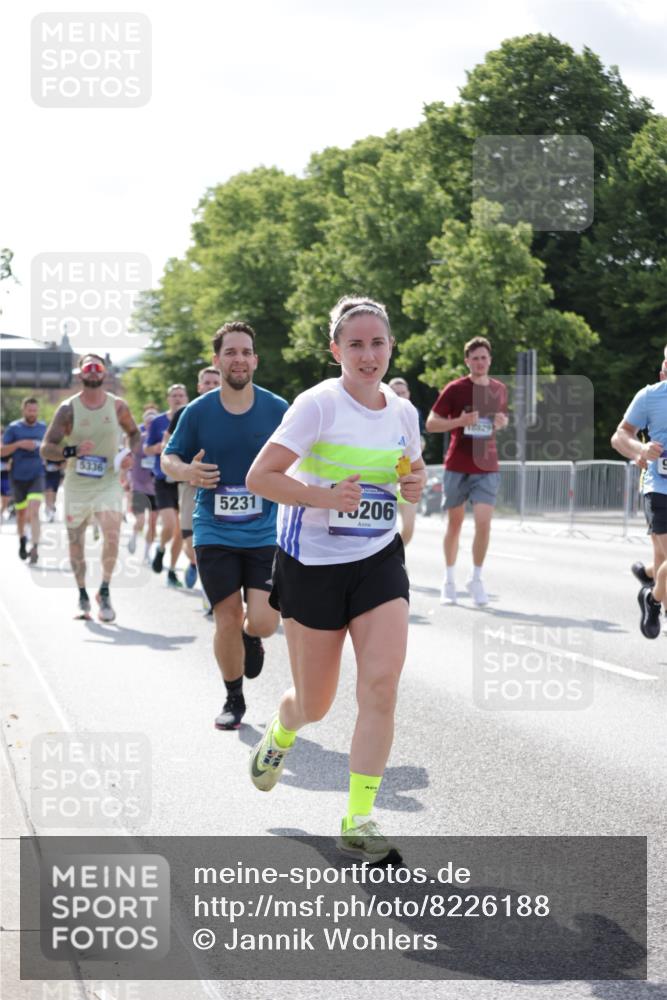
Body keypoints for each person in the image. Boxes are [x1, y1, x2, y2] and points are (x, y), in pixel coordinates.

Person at [246, 296, 425, 863]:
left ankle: (358, 818)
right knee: (315, 703)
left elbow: (409, 469)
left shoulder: (402, 412)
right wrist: (323, 497)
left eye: (378, 343)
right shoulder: (316, 406)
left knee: (381, 685)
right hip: (312, 565)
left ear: (391, 347)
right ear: (336, 351)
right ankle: (282, 730)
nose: (368, 355)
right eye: (356, 344)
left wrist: (415, 486)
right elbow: (260, 477)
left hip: (377, 558)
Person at [162, 322, 289, 729]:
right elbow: (168, 459)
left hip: (265, 532)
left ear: (255, 359)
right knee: (226, 616)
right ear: (217, 361)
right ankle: (234, 697)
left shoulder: (278, 409)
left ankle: (252, 636)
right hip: (214, 530)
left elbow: (306, 456)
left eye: (245, 352)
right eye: (230, 352)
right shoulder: (198, 412)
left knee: (265, 622)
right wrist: (187, 471)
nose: (238, 359)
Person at [40, 354, 139, 621]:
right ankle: (82, 594)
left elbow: (134, 433)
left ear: (105, 374)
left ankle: (104, 591)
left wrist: (130, 455)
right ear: (80, 374)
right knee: (76, 542)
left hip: (108, 480)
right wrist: (71, 450)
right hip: (77, 485)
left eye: (98, 369)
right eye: (88, 368)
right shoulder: (67, 409)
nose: (94, 372)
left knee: (112, 532)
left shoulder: (117, 406)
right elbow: (46, 449)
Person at [425, 337, 508, 606]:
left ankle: (476, 578)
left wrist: (501, 422)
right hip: (458, 465)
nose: (480, 362)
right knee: (456, 523)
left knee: (484, 522)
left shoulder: (499, 389)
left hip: (487, 465)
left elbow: (499, 420)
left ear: (490, 360)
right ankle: (448, 580)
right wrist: (460, 421)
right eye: (475, 358)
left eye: (484, 358)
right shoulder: (455, 389)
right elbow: (431, 424)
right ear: (467, 361)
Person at [611, 357, 667, 639]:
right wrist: (639, 450)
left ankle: (652, 597)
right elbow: (620, 435)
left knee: (662, 558)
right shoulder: (649, 397)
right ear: (663, 372)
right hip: (660, 488)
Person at [165, 366, 221, 590]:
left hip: (223, 485)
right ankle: (194, 563)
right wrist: (186, 470)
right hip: (191, 484)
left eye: (215, 383)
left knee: (220, 541)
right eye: (207, 383)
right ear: (199, 387)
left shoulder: (236, 411)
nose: (211, 387)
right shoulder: (184, 413)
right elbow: (167, 449)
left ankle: (215, 592)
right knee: (190, 542)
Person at [145, 384, 189, 587]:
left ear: (187, 397)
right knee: (170, 525)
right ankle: (161, 548)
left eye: (181, 395)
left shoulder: (191, 416)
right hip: (163, 479)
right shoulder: (157, 422)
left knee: (180, 529)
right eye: (174, 396)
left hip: (184, 479)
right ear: (168, 399)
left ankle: (172, 570)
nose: (178, 398)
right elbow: (147, 449)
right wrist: (162, 448)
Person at [1, 397, 47, 564]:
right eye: (29, 410)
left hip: (37, 474)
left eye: (35, 410)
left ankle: (35, 547)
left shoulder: (44, 428)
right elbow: (2, 452)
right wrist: (19, 444)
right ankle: (22, 541)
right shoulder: (14, 428)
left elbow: (50, 448)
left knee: (34, 511)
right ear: (24, 410)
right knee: (21, 514)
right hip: (18, 476)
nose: (32, 413)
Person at [387, 377, 426, 547]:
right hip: (383, 478)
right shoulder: (376, 412)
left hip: (406, 477)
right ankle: (387, 562)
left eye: (403, 392)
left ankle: (396, 556)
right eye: (396, 393)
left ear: (408, 394)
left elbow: (420, 442)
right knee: (380, 528)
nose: (400, 396)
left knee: (409, 529)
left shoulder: (413, 413)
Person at [127, 406, 159, 563]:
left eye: (154, 423)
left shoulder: (161, 439)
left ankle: (147, 553)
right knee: (140, 520)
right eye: (148, 423)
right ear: (145, 424)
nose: (151, 425)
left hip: (155, 487)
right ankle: (134, 535)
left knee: (153, 522)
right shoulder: (140, 438)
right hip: (139, 485)